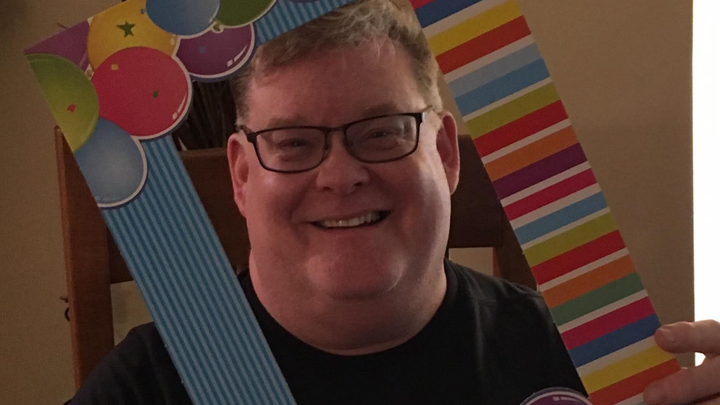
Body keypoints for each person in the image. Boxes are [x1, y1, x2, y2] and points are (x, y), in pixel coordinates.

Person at [68, 1, 720, 404]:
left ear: (446, 153)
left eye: (382, 132)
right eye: (293, 142)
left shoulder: (580, 359)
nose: (341, 175)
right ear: (241, 174)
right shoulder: (150, 384)